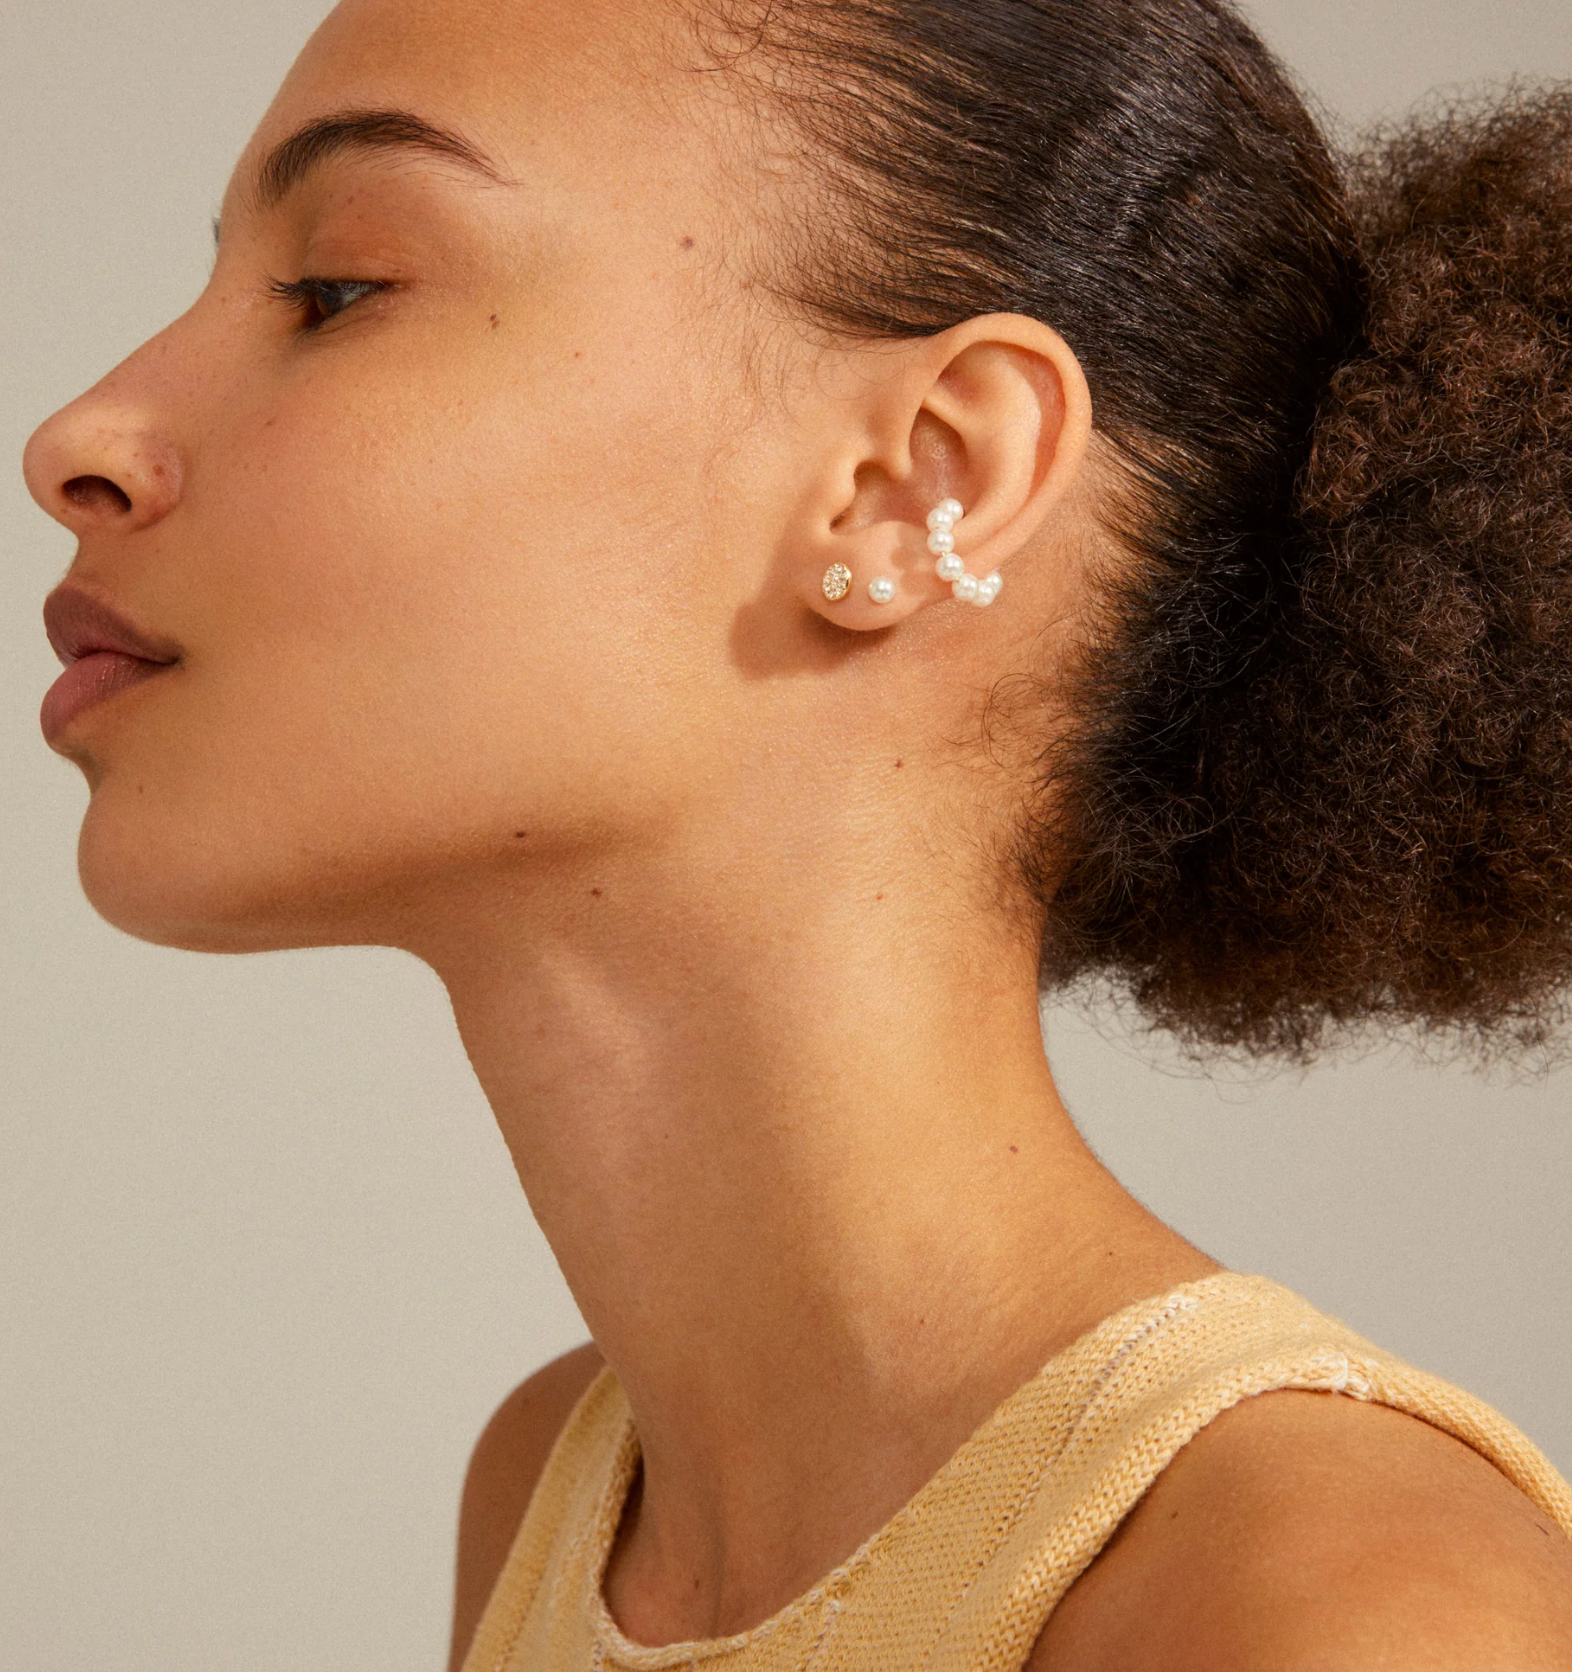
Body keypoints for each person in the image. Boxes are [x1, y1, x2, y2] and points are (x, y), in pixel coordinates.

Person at [21, 0, 1572, 1666]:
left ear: (922, 483)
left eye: (336, 291)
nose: (76, 440)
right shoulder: (558, 1499)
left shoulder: (1338, 1608)